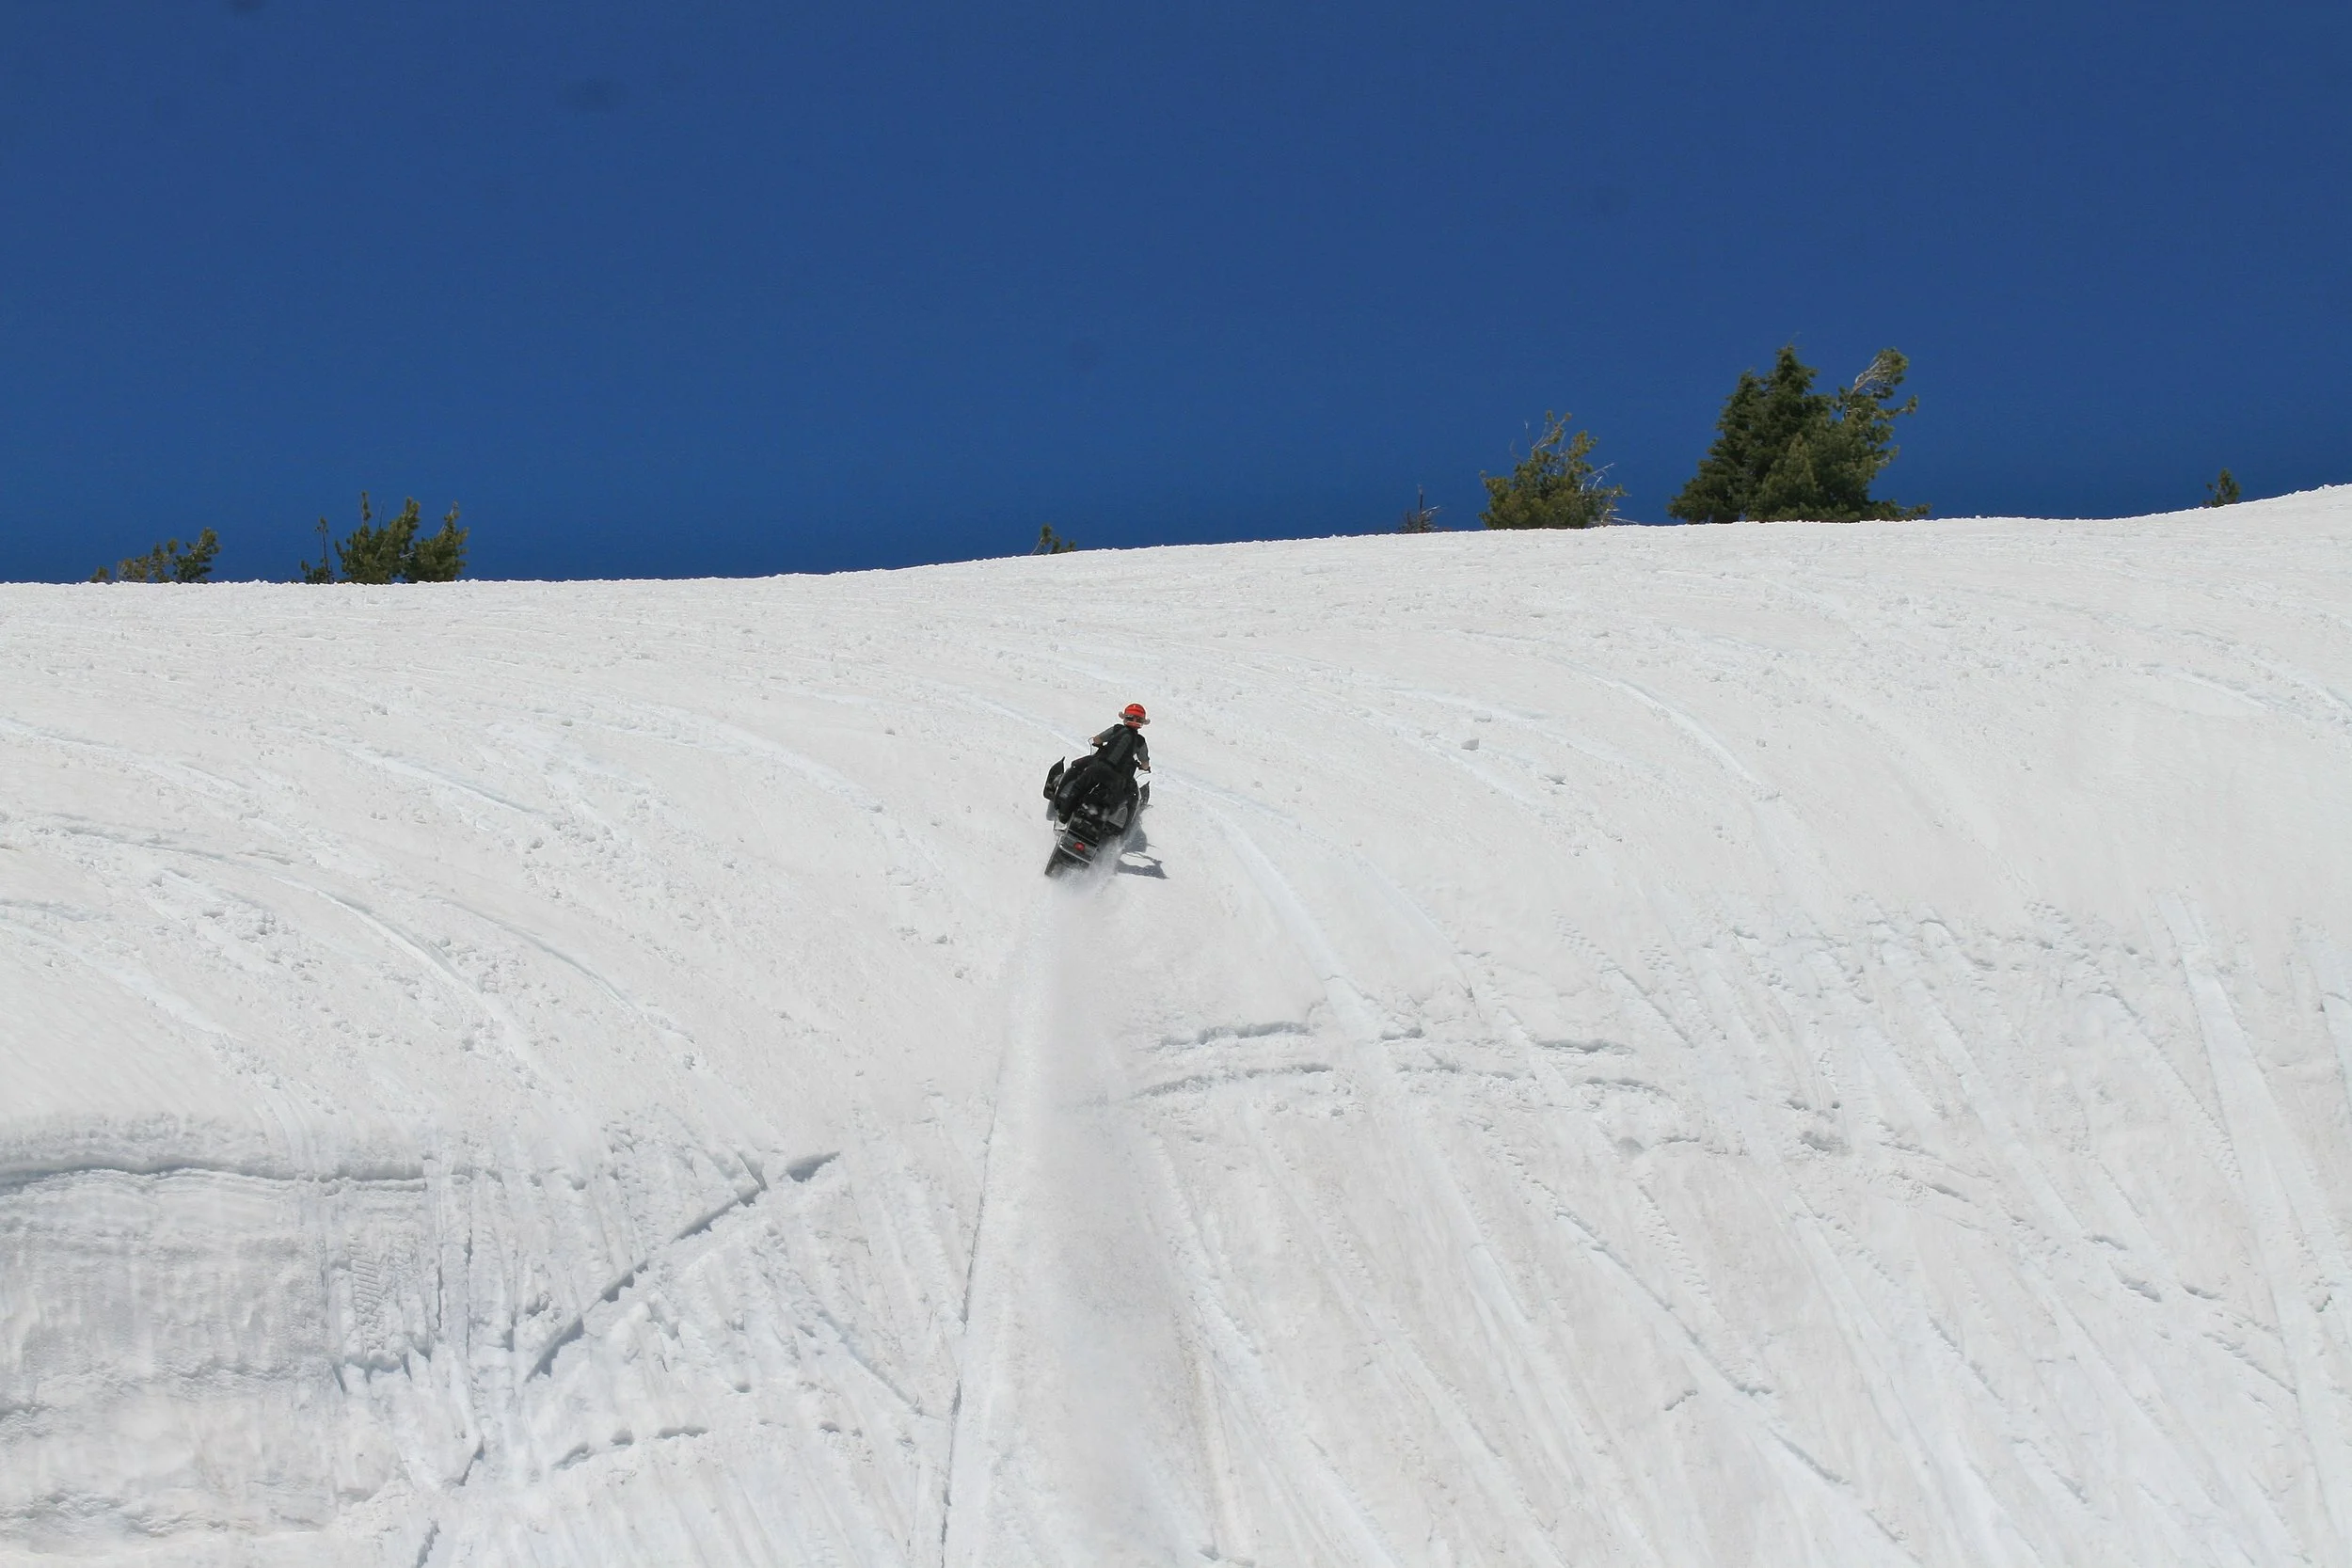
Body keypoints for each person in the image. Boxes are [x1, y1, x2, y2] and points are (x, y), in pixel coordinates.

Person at [1053, 703, 1151, 822]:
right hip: (1117, 777)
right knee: (1111, 801)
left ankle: (1064, 815)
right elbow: (1145, 762)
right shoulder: (1140, 741)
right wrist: (1144, 767)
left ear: (1125, 717)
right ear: (1142, 723)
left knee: (1079, 788)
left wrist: (1099, 744)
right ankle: (1096, 818)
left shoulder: (1117, 729)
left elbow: (1097, 739)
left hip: (1098, 767)